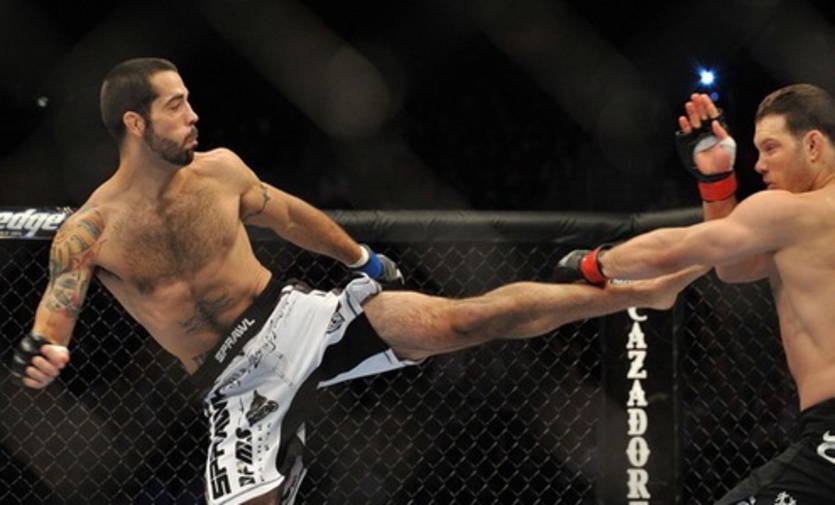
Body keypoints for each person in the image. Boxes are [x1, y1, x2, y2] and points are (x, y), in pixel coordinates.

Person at [9, 57, 704, 505]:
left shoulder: (220, 171)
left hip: (294, 316)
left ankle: (636, 292)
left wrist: (360, 260)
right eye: (175, 105)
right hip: (233, 377)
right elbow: (55, 312)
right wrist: (46, 350)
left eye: (190, 100)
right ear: (135, 123)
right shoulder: (92, 229)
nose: (193, 116)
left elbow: (290, 216)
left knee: (462, 318)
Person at [558, 84, 835, 504]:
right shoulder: (807, 226)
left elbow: (679, 248)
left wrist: (593, 263)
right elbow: (735, 267)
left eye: (770, 148)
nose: (759, 164)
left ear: (813, 145)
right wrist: (717, 180)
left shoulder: (789, 211)